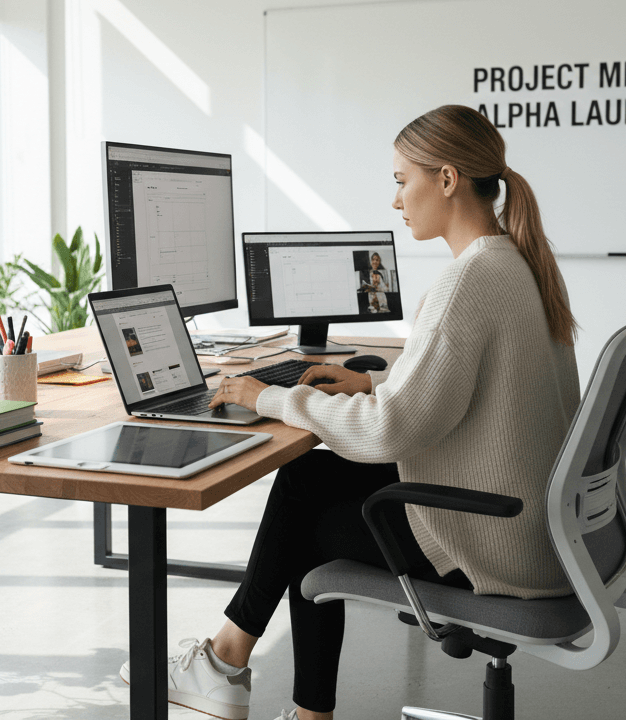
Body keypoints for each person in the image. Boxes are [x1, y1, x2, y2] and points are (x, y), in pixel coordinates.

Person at [119, 105, 581, 720]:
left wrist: (270, 397)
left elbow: (389, 430)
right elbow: (476, 385)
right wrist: (371, 378)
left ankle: (232, 667)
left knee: (305, 507)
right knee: (310, 478)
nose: (395, 201)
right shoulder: (515, 262)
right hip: (533, 528)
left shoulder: (469, 280)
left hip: (492, 544)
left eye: (400, 180)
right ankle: (251, 678)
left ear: (446, 179)